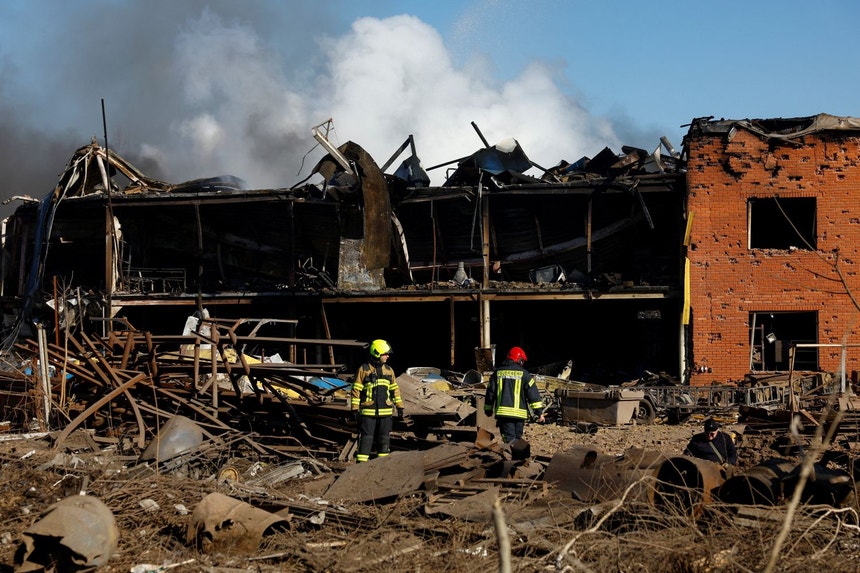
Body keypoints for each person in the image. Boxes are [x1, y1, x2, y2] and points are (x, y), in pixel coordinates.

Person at [350, 339, 404, 463]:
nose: (387, 356)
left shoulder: (389, 370)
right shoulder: (363, 369)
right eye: (385, 354)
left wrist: (400, 406)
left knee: (384, 439)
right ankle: (361, 466)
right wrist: (354, 408)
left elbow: (394, 389)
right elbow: (356, 390)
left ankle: (382, 466)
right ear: (377, 353)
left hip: (385, 413)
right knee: (366, 439)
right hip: (368, 413)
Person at [484, 346, 546, 443]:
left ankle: (513, 457)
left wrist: (488, 409)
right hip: (519, 415)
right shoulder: (525, 374)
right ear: (520, 360)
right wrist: (539, 413)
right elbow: (533, 394)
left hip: (504, 414)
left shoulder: (498, 373)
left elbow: (490, 392)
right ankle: (517, 456)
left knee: (509, 441)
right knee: (517, 440)